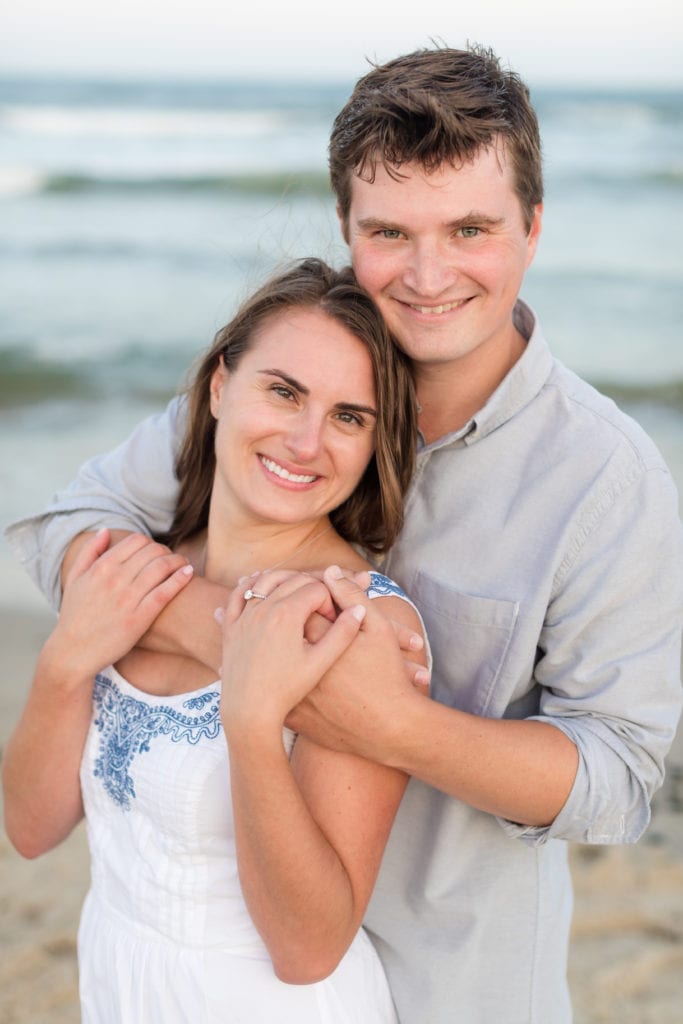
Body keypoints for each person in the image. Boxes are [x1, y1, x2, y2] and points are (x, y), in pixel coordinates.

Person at [6, 44, 683, 1023]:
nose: (426, 272)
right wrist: (258, 645)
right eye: (388, 232)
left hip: (448, 978)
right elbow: (72, 527)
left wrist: (393, 723)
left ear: (532, 228)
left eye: (469, 228)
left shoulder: (604, 479)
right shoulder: (298, 391)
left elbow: (617, 778)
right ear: (345, 229)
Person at [3, 259, 429, 1023]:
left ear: (373, 444)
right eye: (283, 391)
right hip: (119, 977)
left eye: (347, 417)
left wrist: (252, 722)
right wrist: (67, 660)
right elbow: (31, 830)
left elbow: (308, 949)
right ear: (218, 387)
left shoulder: (356, 623)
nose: (305, 442)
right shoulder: (136, 571)